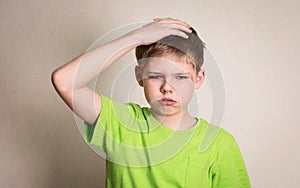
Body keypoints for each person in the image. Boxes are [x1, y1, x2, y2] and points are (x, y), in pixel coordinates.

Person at [51, 17, 251, 187]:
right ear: (140, 76)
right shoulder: (120, 123)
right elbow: (64, 81)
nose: (167, 87)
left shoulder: (220, 145)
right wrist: (136, 37)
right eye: (156, 76)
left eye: (180, 77)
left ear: (198, 78)